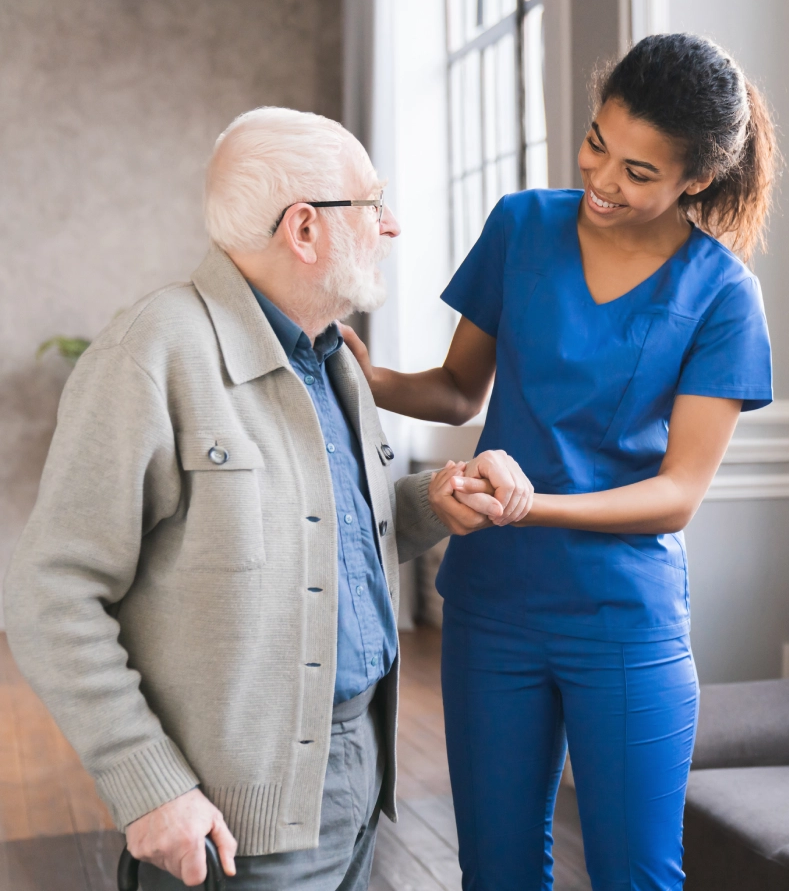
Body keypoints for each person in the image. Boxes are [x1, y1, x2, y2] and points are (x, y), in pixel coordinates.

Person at [3, 107, 532, 890]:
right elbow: (51, 595)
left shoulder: (336, 360)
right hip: (230, 822)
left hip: (359, 771)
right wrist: (152, 789)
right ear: (305, 229)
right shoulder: (150, 352)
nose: (390, 227)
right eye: (373, 203)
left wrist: (432, 500)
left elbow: (324, 530)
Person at [343, 34, 777, 890]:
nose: (603, 180)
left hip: (623, 621)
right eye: (596, 143)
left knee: (635, 877)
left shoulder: (724, 295)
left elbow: (676, 495)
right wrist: (370, 377)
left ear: (695, 180)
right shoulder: (522, 225)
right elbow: (462, 390)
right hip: (492, 607)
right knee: (497, 873)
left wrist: (527, 505)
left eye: (640, 173)